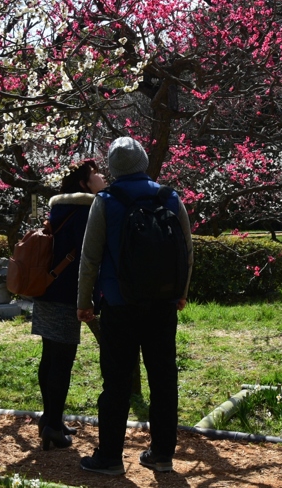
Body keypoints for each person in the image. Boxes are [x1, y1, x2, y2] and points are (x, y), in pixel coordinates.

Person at [76, 137, 193, 476]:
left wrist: (84, 302)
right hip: (162, 304)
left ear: (112, 167)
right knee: (163, 377)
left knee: (116, 380)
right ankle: (162, 454)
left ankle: (110, 457)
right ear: (143, 160)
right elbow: (186, 250)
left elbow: (90, 258)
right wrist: (181, 292)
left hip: (119, 304)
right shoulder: (169, 196)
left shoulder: (106, 201)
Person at [33, 159, 106, 451]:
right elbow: (90, 259)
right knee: (62, 361)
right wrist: (92, 299)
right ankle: (52, 426)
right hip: (67, 294)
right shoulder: (86, 211)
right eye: (95, 174)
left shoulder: (58, 208)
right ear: (83, 184)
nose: (102, 176)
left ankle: (51, 417)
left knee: (50, 355)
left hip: (45, 288)